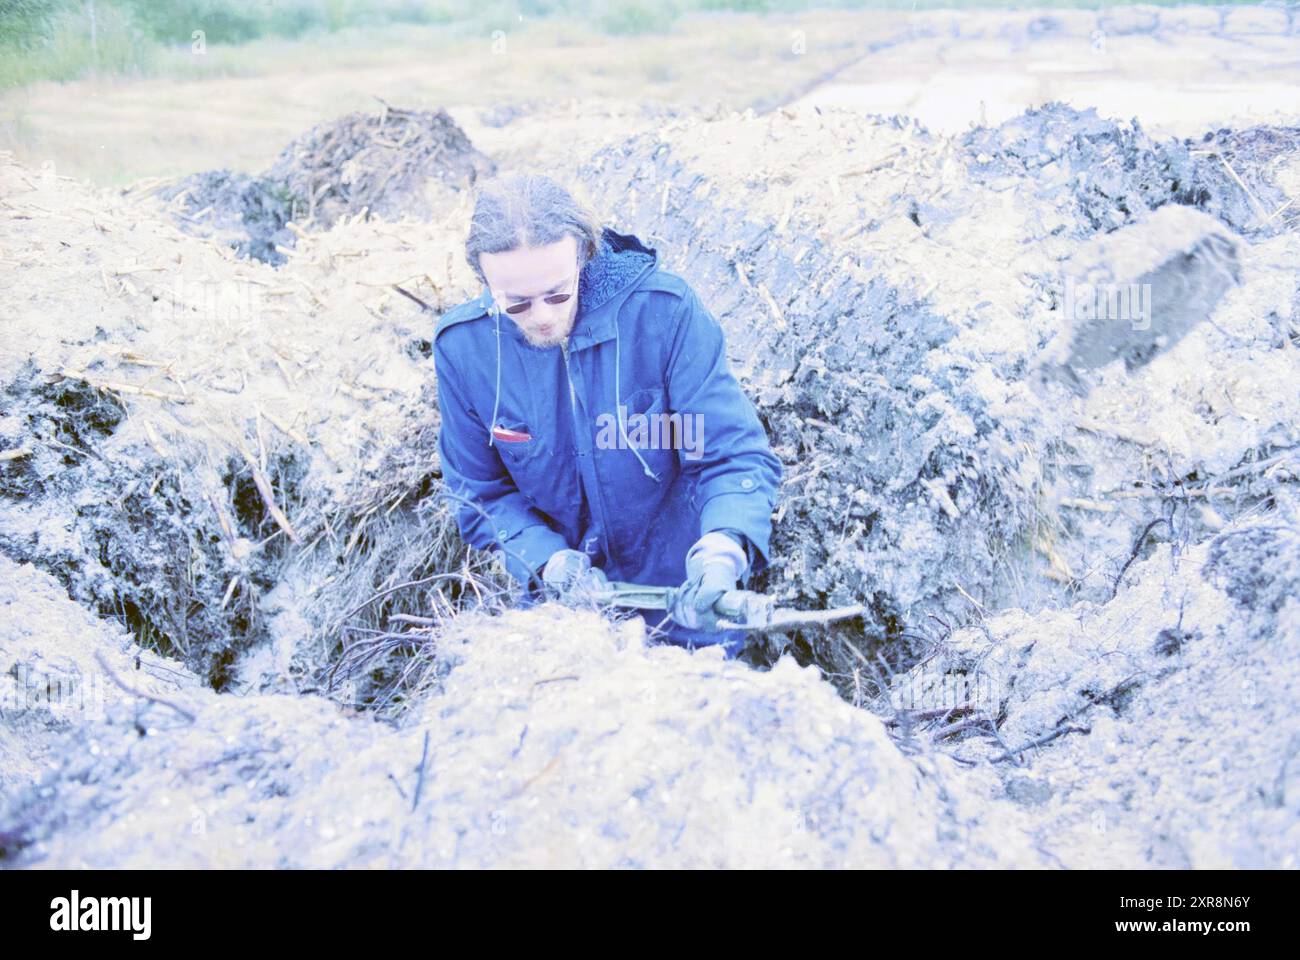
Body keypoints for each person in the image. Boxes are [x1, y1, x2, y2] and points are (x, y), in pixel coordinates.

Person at [433, 173, 782, 658]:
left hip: (686, 600)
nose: (541, 318)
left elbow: (732, 456)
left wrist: (722, 549)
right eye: (516, 303)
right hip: (565, 612)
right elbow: (479, 491)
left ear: (582, 254)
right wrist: (544, 560)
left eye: (557, 294)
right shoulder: (463, 350)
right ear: (484, 280)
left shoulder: (663, 315)